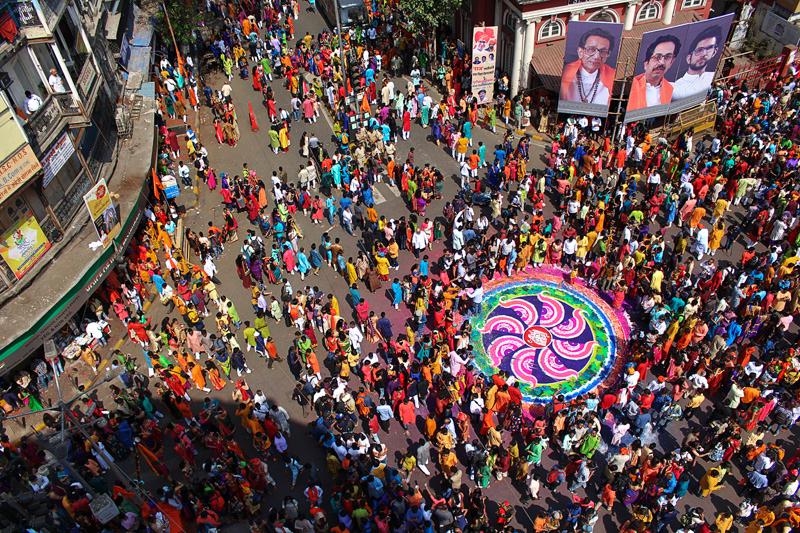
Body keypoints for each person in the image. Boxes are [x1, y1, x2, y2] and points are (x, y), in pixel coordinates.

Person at [560, 28, 617, 106]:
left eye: (603, 51)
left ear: (608, 54)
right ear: (580, 52)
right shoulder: (566, 72)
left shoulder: (612, 76)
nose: (596, 56)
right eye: (591, 49)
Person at [627, 34, 681, 111]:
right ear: (646, 64)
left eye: (667, 57)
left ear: (671, 62)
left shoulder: (672, 90)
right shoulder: (629, 86)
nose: (662, 62)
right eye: (657, 57)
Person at [671, 25, 722, 101]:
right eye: (699, 50)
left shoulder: (710, 77)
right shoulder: (675, 88)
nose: (704, 54)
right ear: (689, 58)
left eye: (709, 48)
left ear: (714, 51)